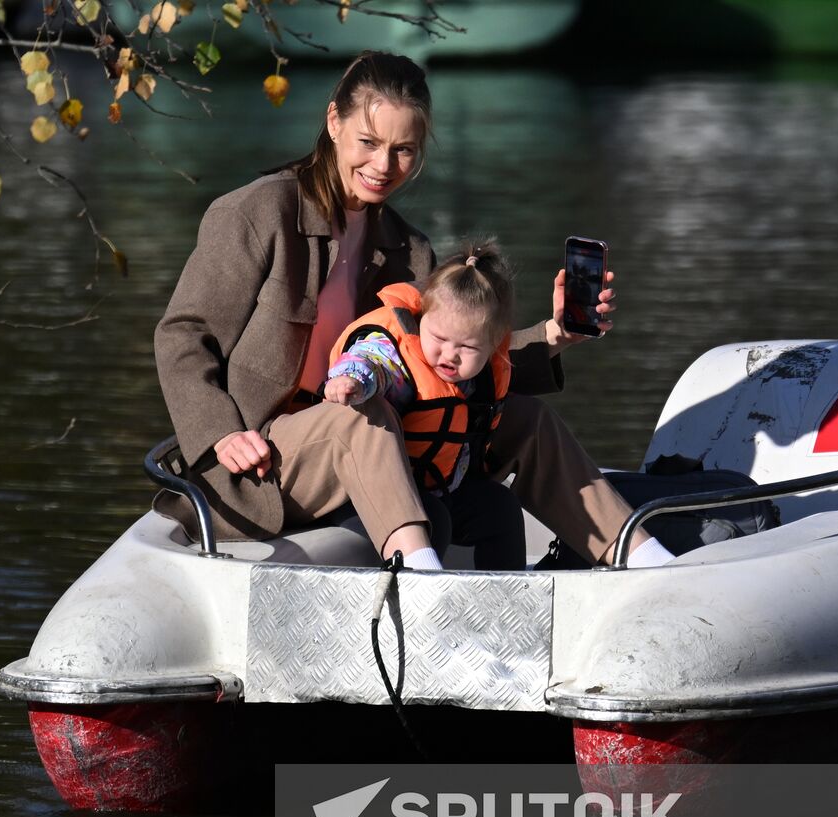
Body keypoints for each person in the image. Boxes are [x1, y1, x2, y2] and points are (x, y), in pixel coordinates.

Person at [154, 50, 672, 571]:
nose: (383, 166)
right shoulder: (257, 214)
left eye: (403, 150)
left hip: (378, 444)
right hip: (261, 461)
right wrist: (222, 433)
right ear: (333, 122)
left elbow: (445, 355)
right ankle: (427, 583)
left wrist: (555, 335)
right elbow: (183, 333)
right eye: (369, 142)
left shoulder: (409, 249)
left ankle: (645, 561)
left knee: (528, 419)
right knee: (363, 414)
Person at [321, 240, 528, 570]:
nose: (449, 355)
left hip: (435, 488)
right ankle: (419, 609)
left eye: (466, 347)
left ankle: (508, 596)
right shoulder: (402, 357)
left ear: (492, 345)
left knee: (499, 506)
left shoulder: (482, 373)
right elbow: (374, 361)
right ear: (422, 320)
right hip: (366, 498)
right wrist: (352, 380)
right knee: (434, 519)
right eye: (440, 339)